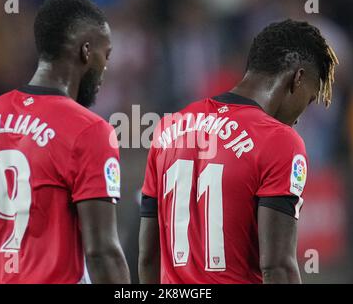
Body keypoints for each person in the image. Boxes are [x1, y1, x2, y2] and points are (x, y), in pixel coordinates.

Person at [139, 19, 338, 284]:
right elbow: (277, 266)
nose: (301, 116)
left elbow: (148, 257)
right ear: (298, 78)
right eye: (310, 99)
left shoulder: (168, 129)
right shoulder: (279, 140)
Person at [0, 0, 130, 284]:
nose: (105, 68)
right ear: (86, 51)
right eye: (106, 55)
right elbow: (102, 253)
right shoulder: (89, 130)